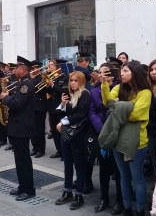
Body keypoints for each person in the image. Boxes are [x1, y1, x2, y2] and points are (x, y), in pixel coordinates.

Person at [101, 61, 152, 216]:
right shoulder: (119, 87)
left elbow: (136, 114)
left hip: (137, 141)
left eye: (125, 71)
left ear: (134, 73)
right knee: (123, 177)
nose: (121, 73)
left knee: (138, 178)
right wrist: (104, 85)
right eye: (122, 71)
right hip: (118, 139)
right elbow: (108, 103)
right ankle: (127, 207)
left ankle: (140, 210)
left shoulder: (145, 92)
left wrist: (118, 105)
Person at [0, 56, 36, 201]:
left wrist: (5, 97)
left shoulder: (26, 84)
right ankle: (22, 186)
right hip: (17, 126)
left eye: (16, 69)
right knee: (19, 160)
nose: (14, 71)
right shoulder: (21, 83)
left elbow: (16, 104)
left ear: (23, 69)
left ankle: (28, 189)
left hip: (22, 127)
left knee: (23, 160)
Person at [55, 71, 90, 210]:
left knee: (79, 165)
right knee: (67, 163)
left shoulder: (85, 94)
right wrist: (63, 104)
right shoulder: (70, 94)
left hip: (78, 134)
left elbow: (81, 115)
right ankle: (67, 191)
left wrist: (63, 122)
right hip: (66, 133)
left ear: (81, 81)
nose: (73, 83)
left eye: (75, 80)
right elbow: (61, 113)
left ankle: (79, 194)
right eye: (71, 80)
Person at [90, 63, 123, 215]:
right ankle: (104, 198)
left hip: (118, 133)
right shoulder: (94, 90)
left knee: (119, 169)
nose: (103, 75)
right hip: (102, 132)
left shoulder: (121, 89)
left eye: (107, 72)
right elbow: (92, 112)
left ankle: (120, 200)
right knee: (103, 168)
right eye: (101, 72)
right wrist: (101, 129)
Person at [46, 59, 69, 160]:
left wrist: (52, 85)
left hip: (61, 107)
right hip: (52, 107)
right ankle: (58, 150)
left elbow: (63, 91)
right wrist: (47, 85)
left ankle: (65, 152)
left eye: (58, 66)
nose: (57, 68)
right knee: (55, 131)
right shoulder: (54, 77)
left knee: (62, 130)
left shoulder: (66, 77)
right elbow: (51, 93)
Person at [30, 60, 47, 158]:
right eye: (32, 68)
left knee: (39, 129)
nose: (33, 70)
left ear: (39, 68)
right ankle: (34, 147)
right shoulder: (32, 77)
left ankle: (41, 149)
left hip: (40, 106)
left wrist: (32, 79)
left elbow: (35, 88)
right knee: (33, 128)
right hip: (32, 106)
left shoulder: (42, 77)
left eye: (35, 68)